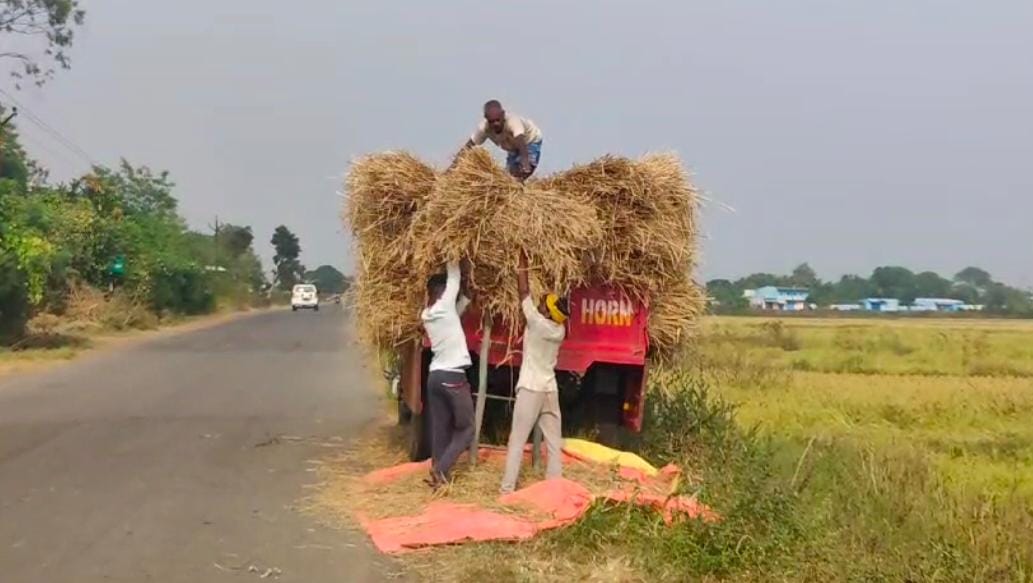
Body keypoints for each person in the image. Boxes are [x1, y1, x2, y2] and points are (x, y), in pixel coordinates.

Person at [500, 253, 568, 493]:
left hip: (531, 388)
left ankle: (507, 490)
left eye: (544, 305)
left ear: (548, 314)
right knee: (553, 443)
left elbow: (523, 292)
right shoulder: (559, 331)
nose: (540, 305)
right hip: (550, 389)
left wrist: (522, 264)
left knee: (517, 440)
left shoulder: (538, 324)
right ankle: (555, 487)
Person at [421, 261, 473, 489]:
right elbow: (454, 279)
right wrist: (453, 253)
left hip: (435, 377)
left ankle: (435, 471)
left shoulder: (428, 314)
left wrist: (467, 299)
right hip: (452, 376)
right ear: (440, 293)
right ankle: (442, 470)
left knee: (440, 428)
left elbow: (455, 315)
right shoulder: (444, 305)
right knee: (467, 428)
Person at [461, 100, 543, 181]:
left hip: (529, 141)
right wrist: (452, 169)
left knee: (522, 171)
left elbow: (521, 142)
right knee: (507, 177)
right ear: (486, 118)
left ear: (503, 114)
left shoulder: (513, 121)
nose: (495, 124)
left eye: (498, 120)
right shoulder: (483, 128)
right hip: (512, 147)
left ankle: (519, 184)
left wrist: (525, 162)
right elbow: (467, 147)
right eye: (492, 121)